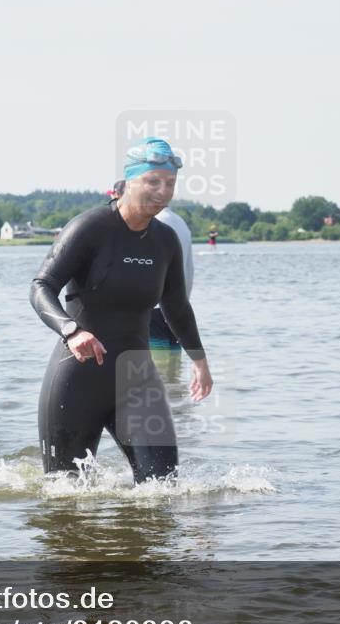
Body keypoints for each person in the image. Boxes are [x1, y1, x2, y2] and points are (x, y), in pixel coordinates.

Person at [30, 137, 213, 483]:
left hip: (137, 377)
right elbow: (41, 286)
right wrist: (71, 330)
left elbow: (176, 306)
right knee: (67, 495)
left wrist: (199, 360)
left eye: (170, 184)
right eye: (152, 181)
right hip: (78, 376)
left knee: (163, 488)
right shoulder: (91, 228)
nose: (162, 191)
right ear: (130, 181)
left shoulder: (164, 240)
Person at [108, 180, 195, 353]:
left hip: (153, 310)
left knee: (156, 367)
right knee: (172, 369)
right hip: (177, 310)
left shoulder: (151, 225)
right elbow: (188, 269)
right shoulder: (180, 223)